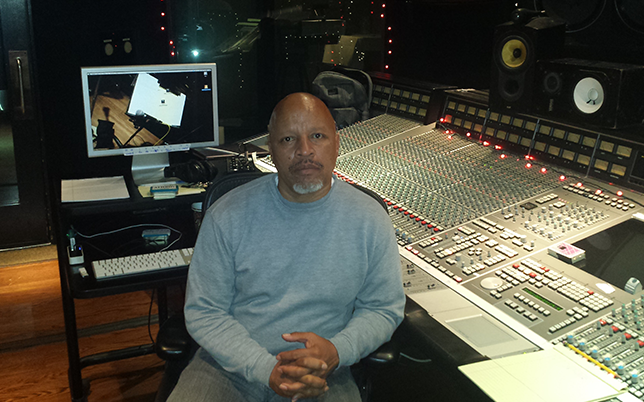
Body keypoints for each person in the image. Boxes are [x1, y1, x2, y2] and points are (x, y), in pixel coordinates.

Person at [168, 92, 405, 401]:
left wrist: (337, 351)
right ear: (271, 149)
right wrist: (265, 368)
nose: (304, 150)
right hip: (229, 367)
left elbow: (383, 308)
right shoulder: (226, 216)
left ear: (336, 142)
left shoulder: (369, 219)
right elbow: (205, 312)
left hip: (323, 372)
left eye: (317, 136)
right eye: (288, 140)